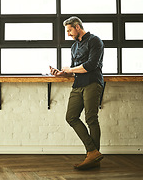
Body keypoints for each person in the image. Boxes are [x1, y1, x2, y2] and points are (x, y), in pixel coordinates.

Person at [50, 16, 104, 170]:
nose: (68, 34)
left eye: (69, 30)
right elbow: (75, 71)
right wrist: (62, 73)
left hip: (93, 82)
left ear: (77, 27)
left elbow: (90, 65)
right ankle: (93, 152)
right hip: (78, 84)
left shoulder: (95, 41)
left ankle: (93, 158)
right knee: (71, 117)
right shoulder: (74, 47)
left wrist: (70, 69)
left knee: (91, 119)